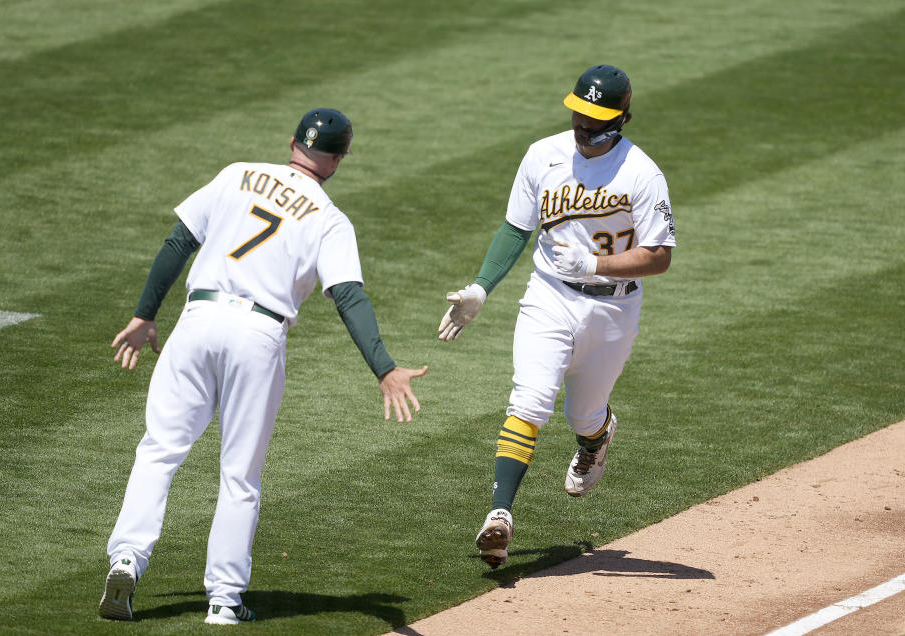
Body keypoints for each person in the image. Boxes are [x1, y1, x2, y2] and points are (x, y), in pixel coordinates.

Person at [98, 108, 428, 624]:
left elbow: (177, 243)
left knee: (160, 449)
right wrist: (384, 368)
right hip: (258, 334)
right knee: (240, 475)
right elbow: (348, 296)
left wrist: (143, 316)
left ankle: (126, 559)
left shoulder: (237, 174)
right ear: (339, 159)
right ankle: (224, 602)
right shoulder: (329, 217)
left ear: (292, 141)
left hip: (198, 318)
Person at [438, 65, 675, 569]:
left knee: (582, 414)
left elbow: (659, 256)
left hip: (614, 305)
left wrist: (595, 263)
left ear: (623, 119)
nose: (584, 128)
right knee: (530, 400)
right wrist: (482, 286)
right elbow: (515, 229)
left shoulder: (642, 174)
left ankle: (597, 435)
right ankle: (499, 517)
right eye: (579, 116)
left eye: (597, 121)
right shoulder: (542, 155)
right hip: (548, 296)